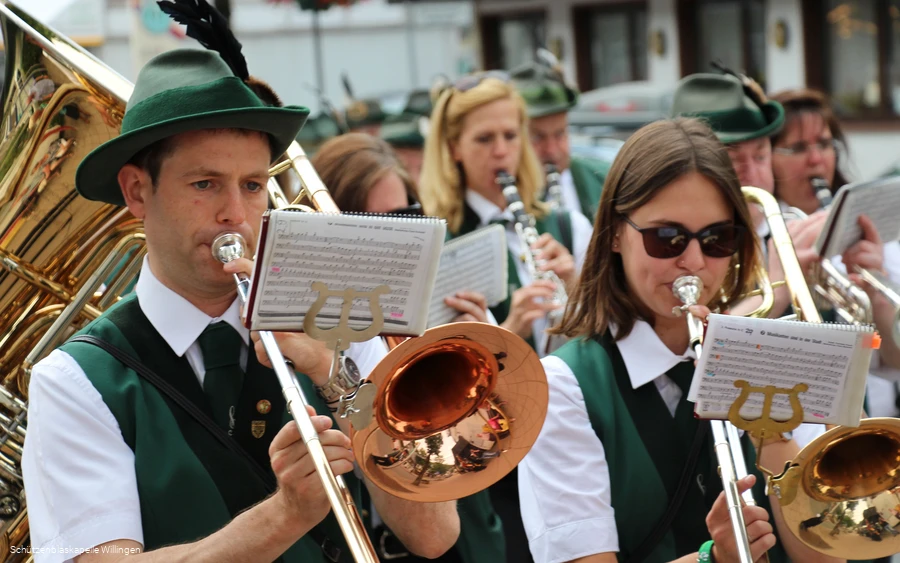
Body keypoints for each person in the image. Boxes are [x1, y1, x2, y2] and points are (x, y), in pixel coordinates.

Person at [21, 49, 459, 563]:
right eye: (204, 184)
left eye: (252, 186)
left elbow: (433, 532)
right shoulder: (74, 380)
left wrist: (332, 376)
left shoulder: (331, 324)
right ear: (138, 191)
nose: (236, 215)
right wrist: (285, 515)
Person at [518, 117, 843, 563]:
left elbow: (826, 559)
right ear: (615, 233)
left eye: (716, 239)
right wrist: (713, 559)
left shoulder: (768, 356)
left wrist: (771, 433)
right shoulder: (562, 387)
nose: (692, 261)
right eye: (666, 238)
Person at [417, 70, 593, 563]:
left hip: (570, 434)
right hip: (493, 454)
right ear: (452, 148)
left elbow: (607, 337)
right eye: (484, 139)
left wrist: (578, 288)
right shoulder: (439, 241)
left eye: (511, 136)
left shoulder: (563, 223)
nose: (501, 152)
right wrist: (509, 331)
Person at [310, 131, 504, 563]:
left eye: (404, 217)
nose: (390, 242)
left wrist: (484, 348)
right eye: (367, 225)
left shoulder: (434, 313)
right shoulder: (302, 341)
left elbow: (496, 447)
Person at [509, 60, 610, 220]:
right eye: (537, 137)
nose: (552, 149)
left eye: (560, 134)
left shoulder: (604, 178)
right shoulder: (504, 195)